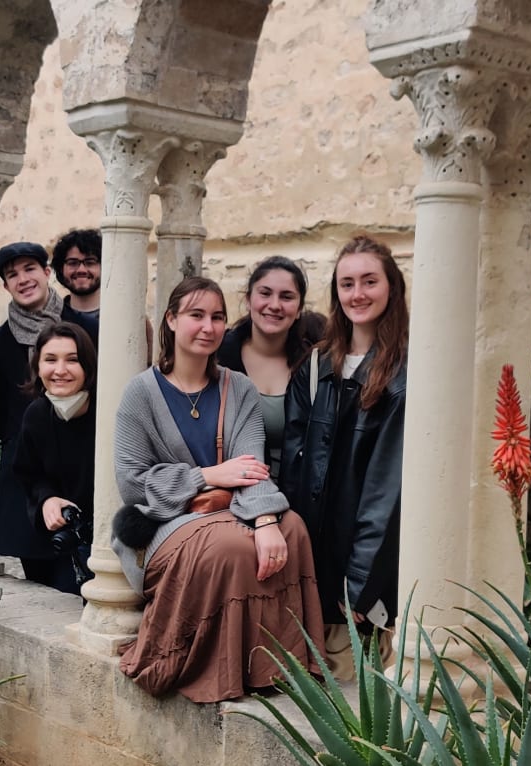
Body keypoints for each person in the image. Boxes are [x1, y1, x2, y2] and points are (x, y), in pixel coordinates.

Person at [112, 276, 323, 703]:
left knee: (293, 528)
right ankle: (214, 670)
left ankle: (272, 666)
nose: (207, 327)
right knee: (228, 547)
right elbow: (132, 482)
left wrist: (265, 520)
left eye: (217, 317)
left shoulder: (238, 387)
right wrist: (206, 476)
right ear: (171, 320)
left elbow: (250, 467)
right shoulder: (140, 393)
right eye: (195, 315)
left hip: (235, 507)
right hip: (165, 522)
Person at [280, 236, 408, 675]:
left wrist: (360, 584)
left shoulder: (404, 373)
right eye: (347, 283)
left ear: (392, 286)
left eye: (369, 281)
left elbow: (387, 490)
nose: (358, 294)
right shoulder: (316, 368)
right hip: (315, 579)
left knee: (362, 702)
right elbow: (295, 477)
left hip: (367, 589)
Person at [0, 241, 100, 587]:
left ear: (47, 273)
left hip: (82, 467)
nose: (23, 279)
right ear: (6, 286)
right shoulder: (0, 340)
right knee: (39, 578)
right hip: (29, 474)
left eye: (30, 269)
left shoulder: (79, 327)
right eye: (12, 275)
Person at [10, 322, 98, 595]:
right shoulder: (37, 414)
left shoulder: (110, 411)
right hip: (60, 541)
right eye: (50, 360)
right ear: (38, 366)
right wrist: (47, 499)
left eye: (72, 360)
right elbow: (30, 473)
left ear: (88, 366)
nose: (60, 371)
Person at [216, 256, 327, 474]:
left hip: (299, 499)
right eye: (265, 293)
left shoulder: (316, 365)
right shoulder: (217, 357)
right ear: (248, 300)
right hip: (234, 496)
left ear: (299, 309)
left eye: (286, 297)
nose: (274, 305)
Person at [50, 228, 102, 338]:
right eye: (73, 263)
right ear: (61, 269)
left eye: (90, 262)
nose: (81, 270)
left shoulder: (125, 317)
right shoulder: (51, 319)